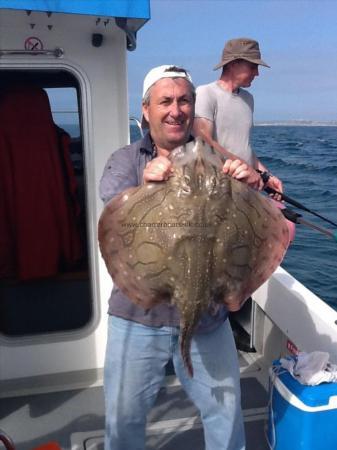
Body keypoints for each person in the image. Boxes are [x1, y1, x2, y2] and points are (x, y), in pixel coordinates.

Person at [99, 65, 256, 450]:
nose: (175, 110)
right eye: (165, 101)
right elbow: (110, 207)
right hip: (139, 314)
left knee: (225, 413)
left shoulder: (218, 159)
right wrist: (144, 186)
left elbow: (258, 228)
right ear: (146, 110)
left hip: (209, 316)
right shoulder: (126, 159)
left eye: (184, 100)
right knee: (123, 418)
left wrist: (250, 187)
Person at [193, 37, 283, 195]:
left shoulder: (248, 99)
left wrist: (267, 175)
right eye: (253, 66)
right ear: (234, 64)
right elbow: (203, 141)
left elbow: (244, 148)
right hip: (217, 190)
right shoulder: (205, 93)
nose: (257, 73)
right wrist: (245, 167)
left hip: (245, 189)